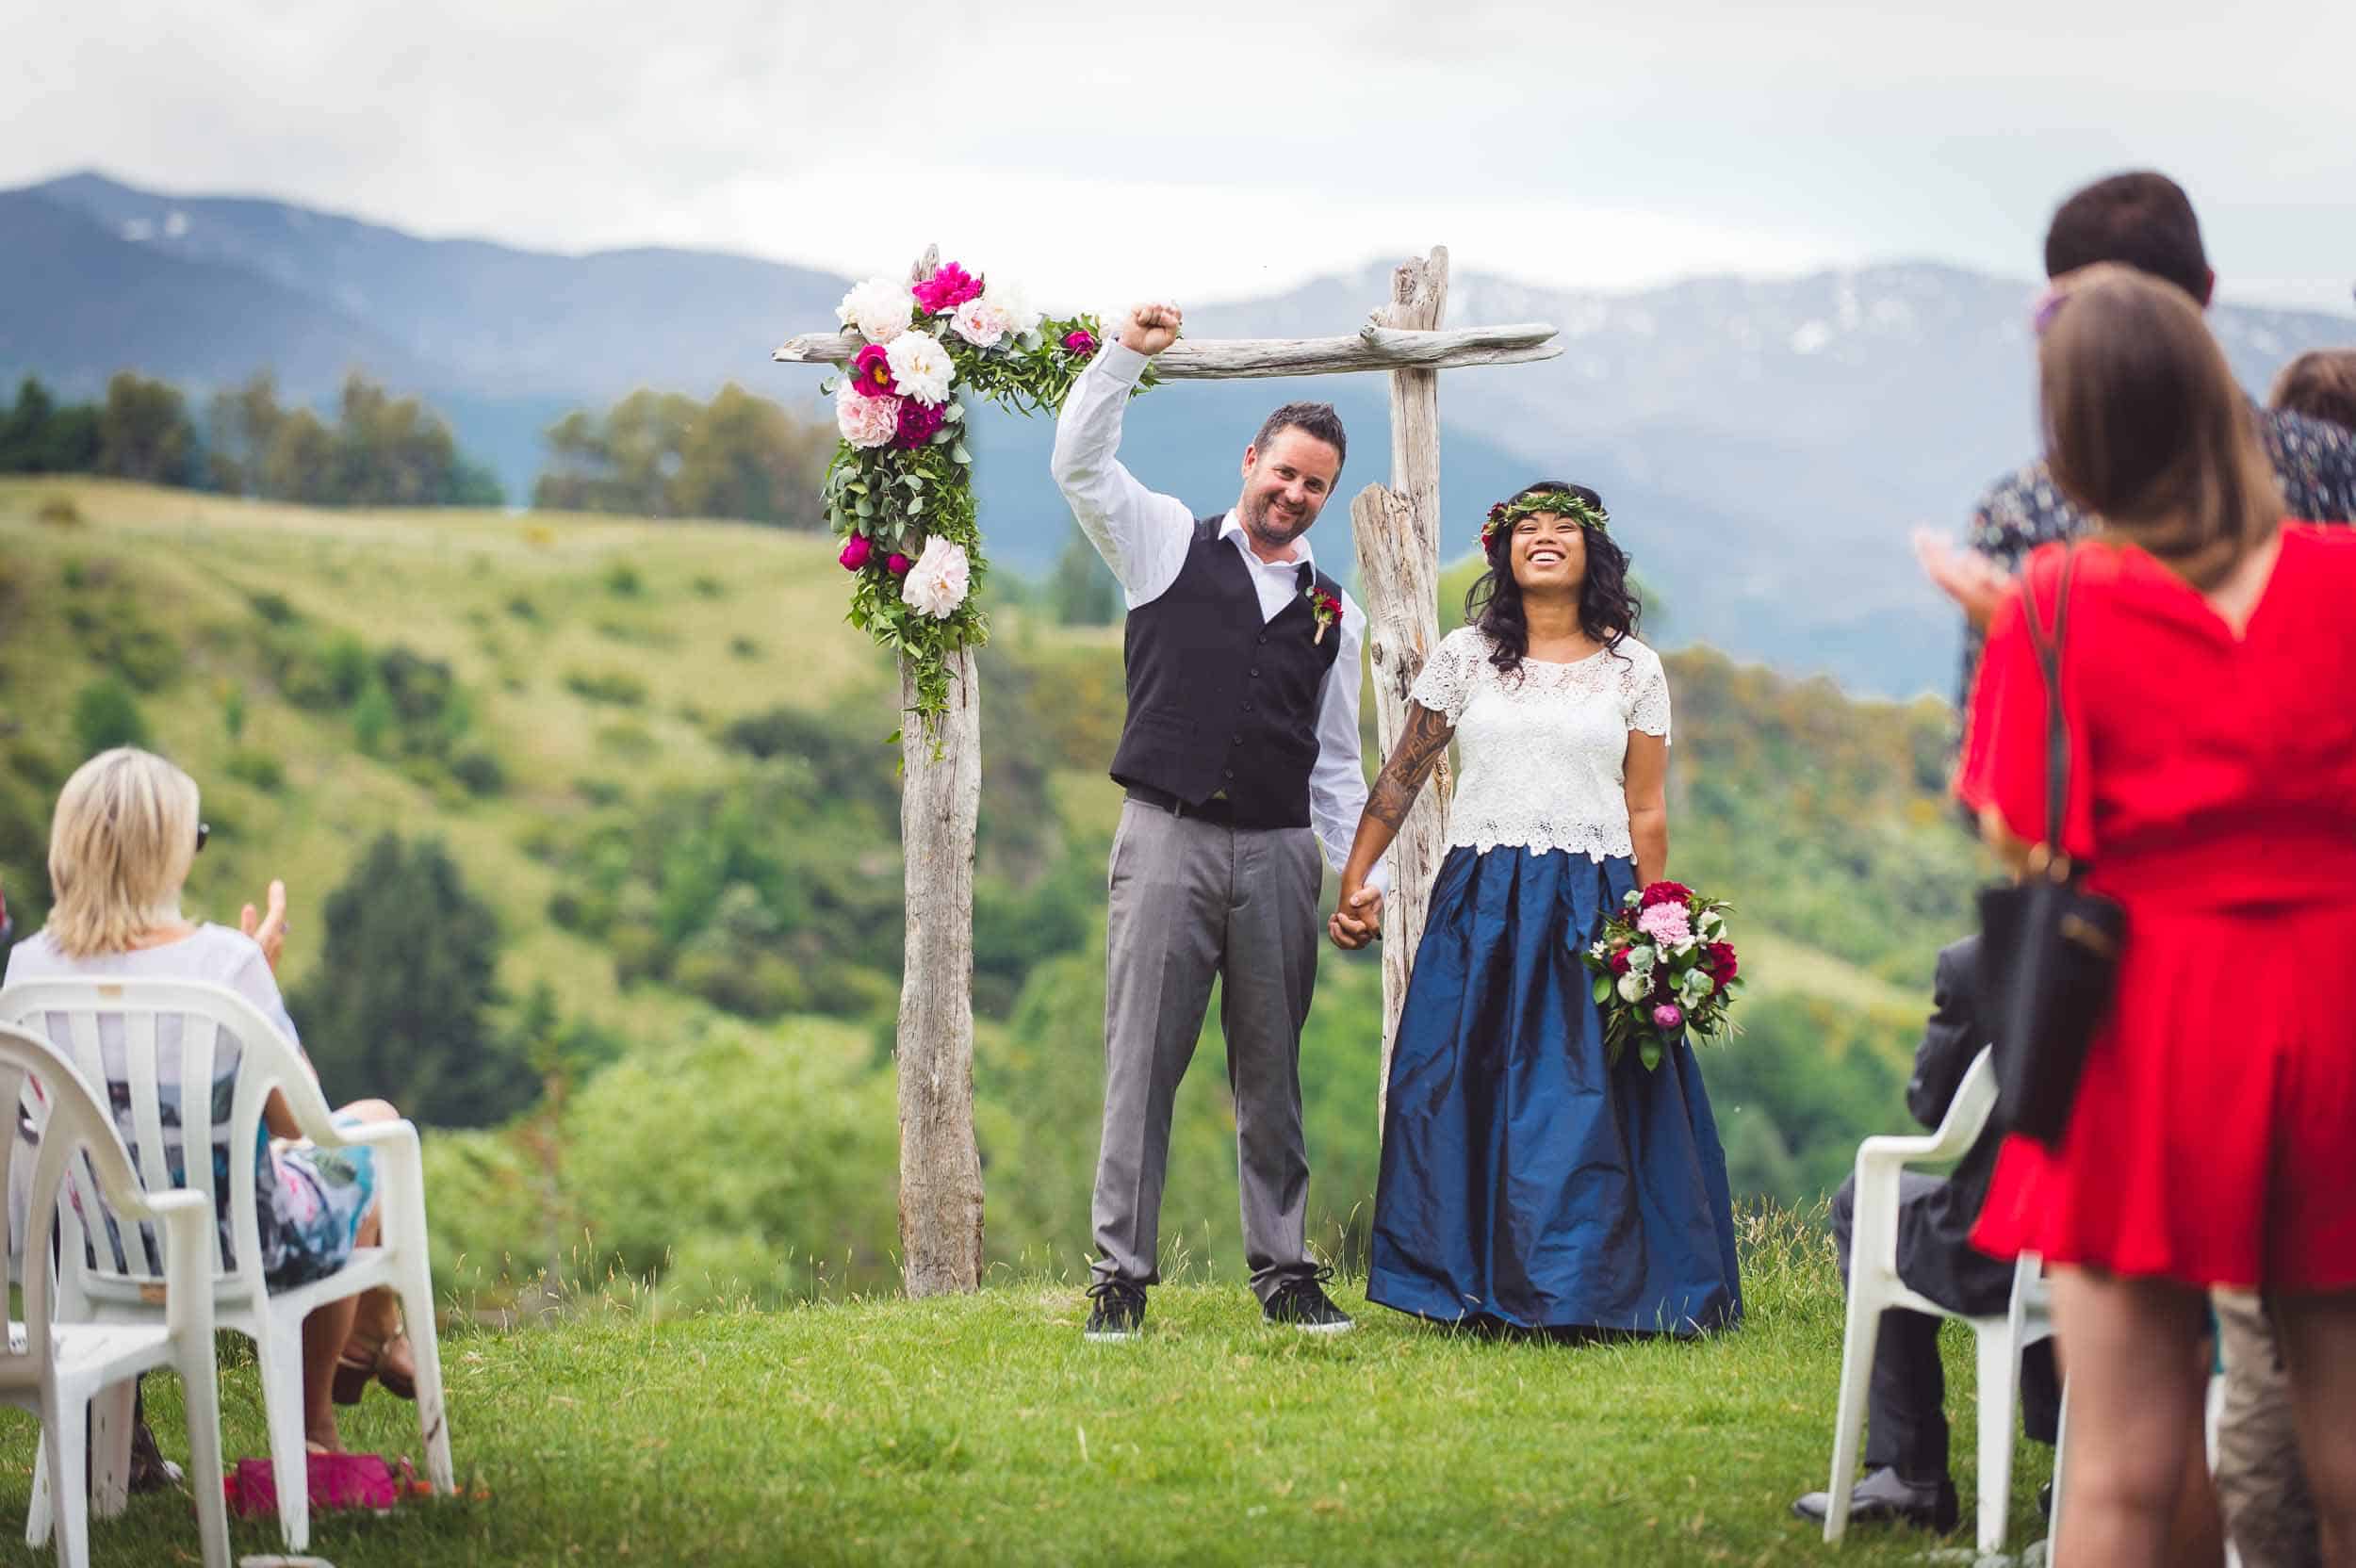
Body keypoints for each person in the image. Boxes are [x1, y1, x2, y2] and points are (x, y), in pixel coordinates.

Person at [1958, 268, 2356, 1564]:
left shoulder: (2057, 604)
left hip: (2150, 1034)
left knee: (2125, 1473)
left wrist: (2012, 634)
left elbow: (2026, 836)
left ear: (2076, 437)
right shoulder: (2347, 580)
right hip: (2339, 1011)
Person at [1329, 480, 1740, 1335]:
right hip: (1482, 899)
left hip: (1593, 900)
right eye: (1527, 529)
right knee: (1456, 1084)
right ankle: (1469, 1283)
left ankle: (1589, 1291)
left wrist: (1652, 918)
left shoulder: (1635, 668)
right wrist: (1357, 875)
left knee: (1583, 1098)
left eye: (1563, 528)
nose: (1544, 539)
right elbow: (1404, 774)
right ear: (1503, 553)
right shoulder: (1464, 657)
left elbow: (1648, 807)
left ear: (1593, 553)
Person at [1051, 302, 1376, 1341]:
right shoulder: (1160, 544)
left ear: (1327, 495)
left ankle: (1285, 1271)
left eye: (1314, 482)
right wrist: (1121, 358)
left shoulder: (1338, 612)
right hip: (1166, 837)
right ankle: (1119, 1279)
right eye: (1283, 470)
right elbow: (1079, 465)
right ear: (1251, 459)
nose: (1294, 491)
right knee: (1141, 1057)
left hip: (1282, 853)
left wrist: (1352, 873)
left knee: (1272, 1068)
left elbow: (1336, 761)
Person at [1, 747, 417, 1452]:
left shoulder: (28, 968)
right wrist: (256, 1000)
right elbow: (303, 1123)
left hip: (98, 1248)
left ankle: (372, 1340)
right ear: (167, 853)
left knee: (351, 1148)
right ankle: (322, 1418)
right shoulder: (225, 963)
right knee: (372, 1128)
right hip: (239, 1248)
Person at [1918, 170, 2356, 700]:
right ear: (2207, 291)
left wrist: (2025, 633)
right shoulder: (2333, 464)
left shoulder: (2023, 523)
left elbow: (1994, 765)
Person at [1788, 937, 2060, 1532]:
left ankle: (1910, 1472)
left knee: (1866, 1198)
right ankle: (2073, 1453)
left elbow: (1932, 1104)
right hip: (2140, 1241)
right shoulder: (2177, 951)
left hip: (2005, 1239)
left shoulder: (1984, 960)